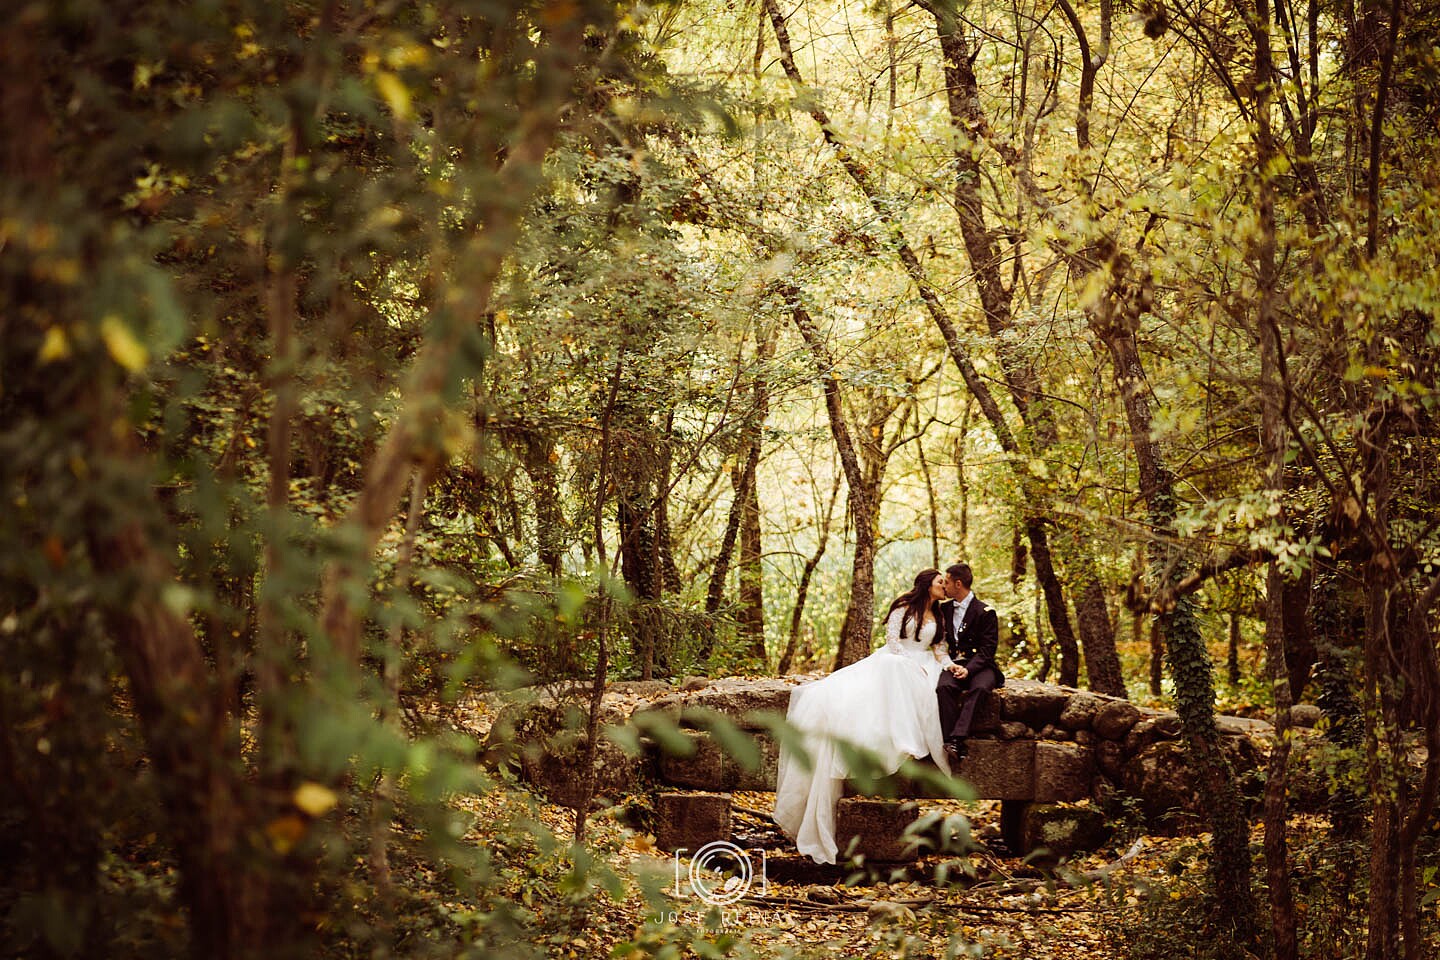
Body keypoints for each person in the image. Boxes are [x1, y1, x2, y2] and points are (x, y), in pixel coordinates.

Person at [772, 570, 953, 864]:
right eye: (940, 582)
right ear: (926, 584)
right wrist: (909, 663)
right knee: (892, 670)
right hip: (897, 659)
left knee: (928, 689)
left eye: (945, 583)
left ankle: (905, 737)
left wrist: (948, 665)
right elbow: (893, 640)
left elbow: (940, 648)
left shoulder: (940, 615)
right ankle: (892, 737)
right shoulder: (903, 606)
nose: (944, 586)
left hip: (925, 663)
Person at [935, 563, 1004, 766]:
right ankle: (950, 740)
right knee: (944, 687)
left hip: (981, 666)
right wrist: (953, 666)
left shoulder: (985, 611)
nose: (944, 586)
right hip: (955, 664)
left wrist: (969, 669)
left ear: (958, 583)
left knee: (981, 688)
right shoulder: (944, 609)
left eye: (946, 582)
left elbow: (988, 650)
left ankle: (957, 739)